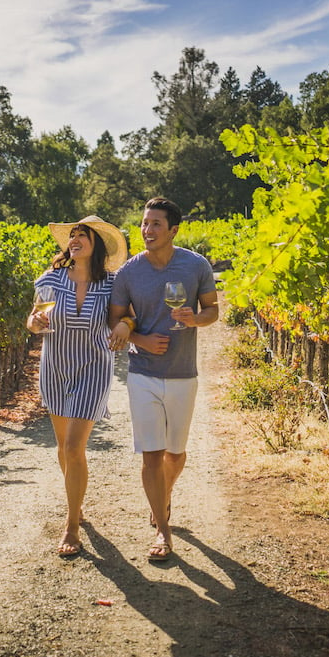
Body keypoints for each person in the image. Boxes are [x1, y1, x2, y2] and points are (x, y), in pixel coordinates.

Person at [109, 197, 218, 561]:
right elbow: (116, 321)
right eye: (144, 223)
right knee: (151, 456)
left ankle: (162, 498)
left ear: (173, 230)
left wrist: (194, 320)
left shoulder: (195, 265)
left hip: (184, 373)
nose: (147, 230)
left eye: (156, 224)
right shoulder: (129, 272)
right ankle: (163, 530)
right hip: (142, 373)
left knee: (176, 453)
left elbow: (212, 310)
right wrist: (139, 340)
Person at [27, 215, 131, 557]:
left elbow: (127, 315)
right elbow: (34, 319)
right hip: (55, 367)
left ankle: (72, 525)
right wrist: (35, 322)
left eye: (82, 234)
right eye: (72, 234)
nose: (75, 239)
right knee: (62, 446)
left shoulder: (112, 284)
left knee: (74, 447)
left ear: (96, 244)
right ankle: (77, 504)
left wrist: (126, 326)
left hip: (94, 367)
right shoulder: (51, 280)